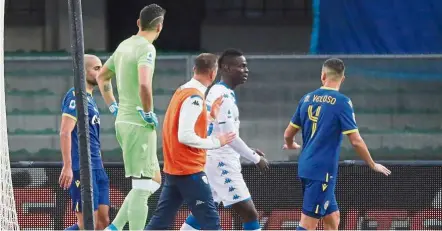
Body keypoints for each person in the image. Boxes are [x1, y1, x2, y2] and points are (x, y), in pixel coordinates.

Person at [283, 58, 392, 230]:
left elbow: (288, 133)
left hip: (306, 166)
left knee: (332, 217)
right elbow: (355, 141)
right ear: (343, 79)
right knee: (308, 224)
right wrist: (372, 164)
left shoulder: (306, 99)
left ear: (323, 76)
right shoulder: (342, 102)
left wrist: (290, 144)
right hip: (322, 171)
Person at [180, 49, 269, 231]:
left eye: (246, 66)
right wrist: (255, 158)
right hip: (221, 162)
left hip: (214, 159)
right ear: (226, 68)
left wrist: (248, 149)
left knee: (203, 212)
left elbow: (223, 132)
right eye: (241, 66)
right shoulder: (223, 95)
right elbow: (230, 137)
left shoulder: (221, 92)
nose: (246, 70)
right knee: (249, 214)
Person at [145, 53, 236, 230]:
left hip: (175, 169)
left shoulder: (182, 91)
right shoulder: (194, 97)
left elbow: (185, 125)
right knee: (211, 221)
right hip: (189, 169)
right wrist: (217, 142)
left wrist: (209, 117)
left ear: (195, 69)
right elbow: (185, 135)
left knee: (160, 221)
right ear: (213, 74)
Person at [97, 4, 166, 230]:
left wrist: (113, 106)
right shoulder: (147, 49)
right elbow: (145, 84)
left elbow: (102, 77)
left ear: (138, 23)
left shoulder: (124, 46)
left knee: (154, 180)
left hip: (124, 120)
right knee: (143, 185)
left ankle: (114, 228)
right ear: (159, 27)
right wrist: (147, 113)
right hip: (139, 123)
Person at [59, 54, 110, 230]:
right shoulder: (75, 96)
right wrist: (67, 165)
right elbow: (65, 131)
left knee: (103, 223)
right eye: (96, 68)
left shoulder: (91, 99)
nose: (100, 71)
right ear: (82, 71)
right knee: (87, 224)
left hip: (97, 167)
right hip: (82, 167)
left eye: (101, 67)